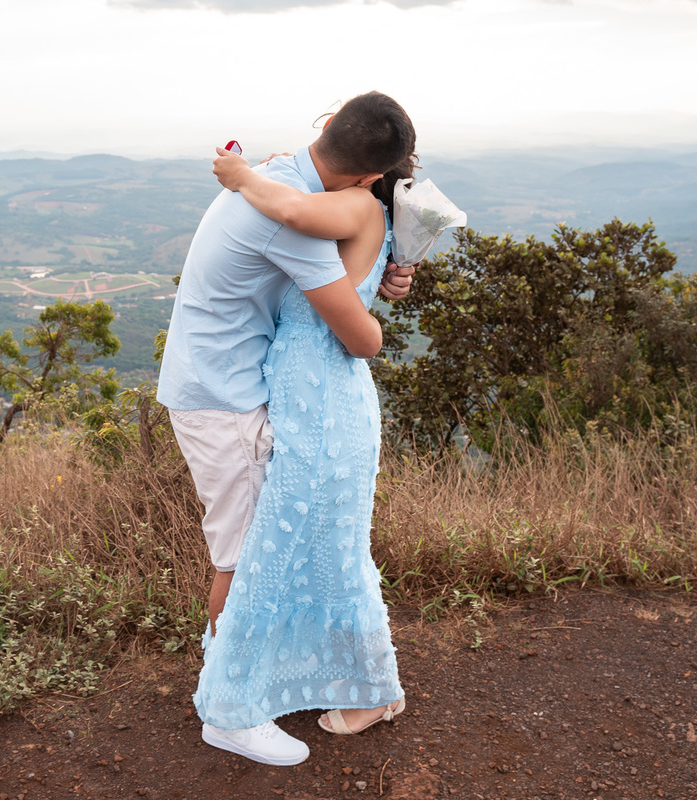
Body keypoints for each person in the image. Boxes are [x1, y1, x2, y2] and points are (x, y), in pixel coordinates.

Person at [157, 91, 416, 766]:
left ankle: (244, 677)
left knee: (262, 547)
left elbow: (329, 240)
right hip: (227, 394)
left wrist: (382, 268)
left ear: (327, 129)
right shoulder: (291, 211)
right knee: (246, 555)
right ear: (368, 176)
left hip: (234, 384)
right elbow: (359, 336)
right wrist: (373, 294)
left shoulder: (286, 174)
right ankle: (233, 709)